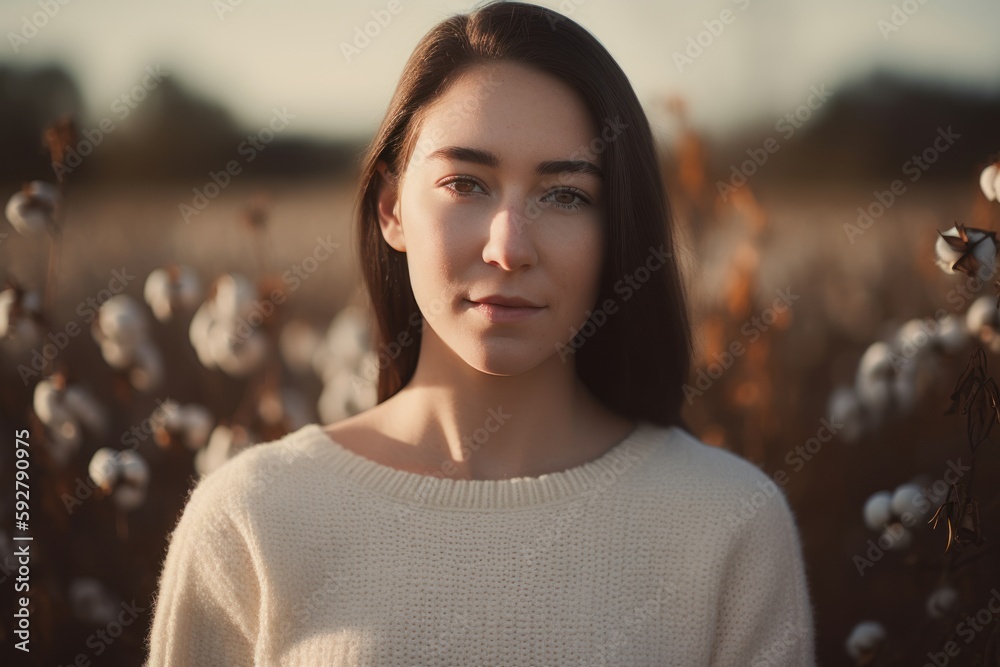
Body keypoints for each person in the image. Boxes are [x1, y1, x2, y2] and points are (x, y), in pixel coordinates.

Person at [144, 1, 817, 664]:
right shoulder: (254, 520)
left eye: (566, 195)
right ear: (391, 209)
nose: (509, 248)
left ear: (617, 230)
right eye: (466, 183)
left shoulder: (729, 524)